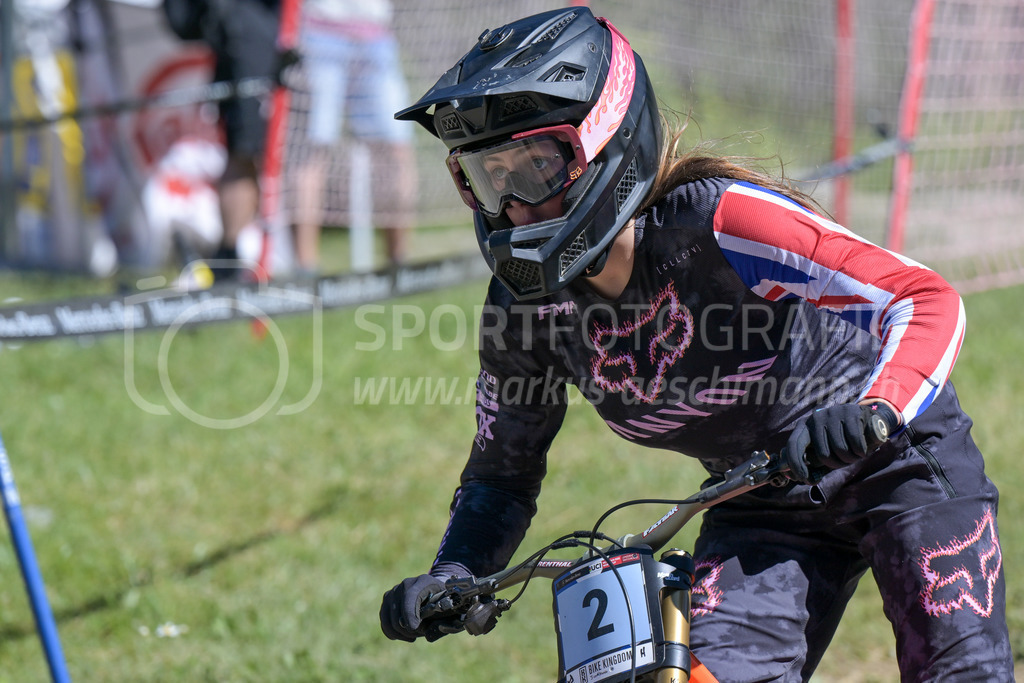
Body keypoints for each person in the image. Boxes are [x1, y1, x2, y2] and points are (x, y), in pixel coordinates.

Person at [379, 8, 1013, 681]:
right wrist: (456, 572)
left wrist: (877, 409)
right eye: (487, 177)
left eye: (536, 168)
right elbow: (501, 473)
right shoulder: (523, 310)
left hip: (897, 461)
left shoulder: (721, 222)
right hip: (762, 501)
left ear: (604, 140)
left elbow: (922, 296)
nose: (514, 207)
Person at [291, 0, 416, 271]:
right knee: (313, 151)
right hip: (318, 33)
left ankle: (399, 265)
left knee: (396, 151)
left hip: (375, 36)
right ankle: (305, 269)